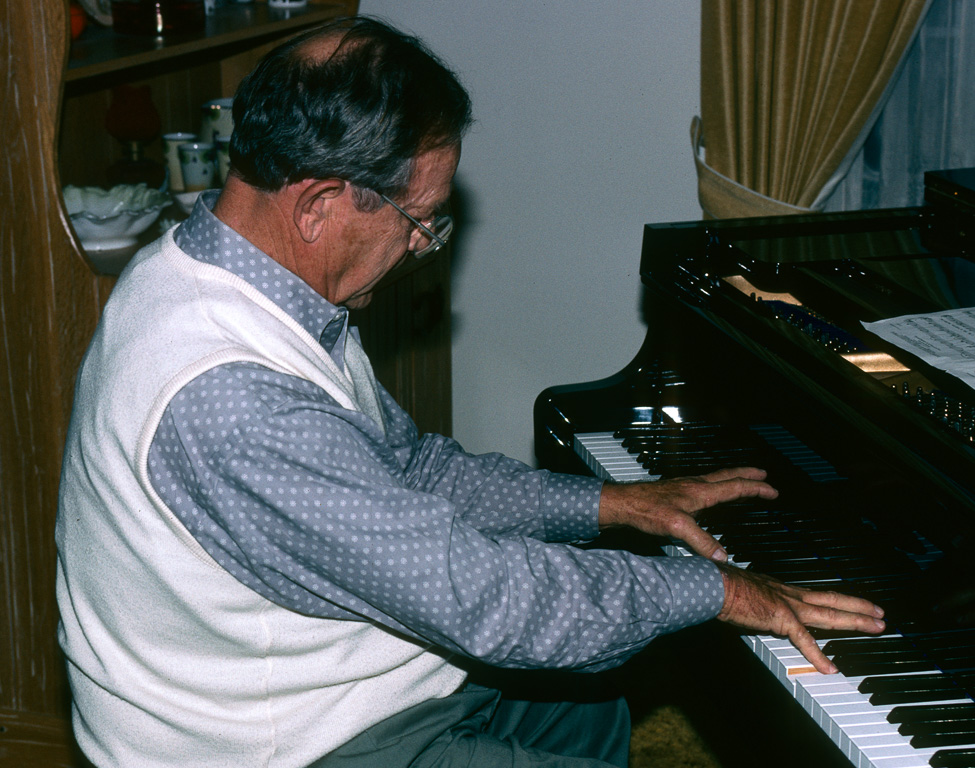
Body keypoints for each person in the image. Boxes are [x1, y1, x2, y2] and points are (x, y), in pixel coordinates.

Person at [55, 16, 885, 768]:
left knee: (595, 711)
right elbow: (489, 603)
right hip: (274, 745)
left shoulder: (231, 270)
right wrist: (721, 591)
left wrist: (614, 505)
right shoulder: (233, 397)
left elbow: (414, 469)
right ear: (316, 205)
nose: (422, 249)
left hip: (332, 686)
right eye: (419, 224)